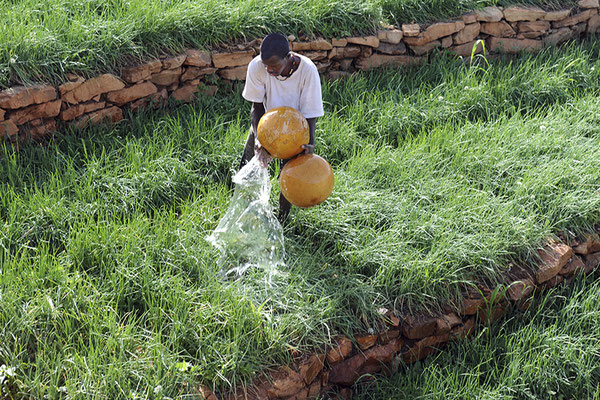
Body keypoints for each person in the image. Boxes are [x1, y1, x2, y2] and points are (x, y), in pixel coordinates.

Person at [239, 32, 324, 223]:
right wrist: (260, 140)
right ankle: (244, 207)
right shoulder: (257, 67)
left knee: (289, 176)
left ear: (289, 57)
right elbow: (257, 107)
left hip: (296, 130)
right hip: (266, 124)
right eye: (266, 65)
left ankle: (281, 219)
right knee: (249, 162)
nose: (269, 70)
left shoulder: (307, 71)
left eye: (274, 66)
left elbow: (310, 114)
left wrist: (309, 144)